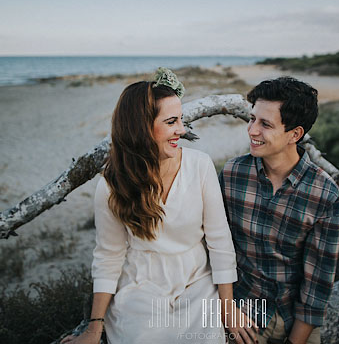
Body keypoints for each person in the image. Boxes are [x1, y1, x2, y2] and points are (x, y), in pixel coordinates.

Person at [63, 68, 238, 344]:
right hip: (140, 284)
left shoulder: (200, 164)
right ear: (142, 127)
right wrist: (94, 327)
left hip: (196, 279)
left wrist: (228, 309)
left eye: (180, 120)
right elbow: (108, 256)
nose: (182, 129)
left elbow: (219, 240)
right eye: (171, 122)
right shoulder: (111, 185)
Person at [219, 77, 339, 344]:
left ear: (295, 134)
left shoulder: (324, 194)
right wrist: (227, 309)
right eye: (252, 119)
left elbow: (317, 285)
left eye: (265, 124)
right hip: (243, 312)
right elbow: (217, 249)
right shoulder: (232, 174)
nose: (251, 130)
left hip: (294, 318)